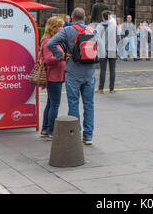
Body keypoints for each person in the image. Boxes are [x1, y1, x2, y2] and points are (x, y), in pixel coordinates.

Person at [47, 8, 96, 145]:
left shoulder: (67, 30)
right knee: (89, 104)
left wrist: (61, 55)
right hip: (89, 73)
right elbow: (102, 50)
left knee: (73, 103)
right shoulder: (93, 30)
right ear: (84, 18)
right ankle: (88, 136)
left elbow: (51, 43)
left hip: (73, 72)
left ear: (73, 19)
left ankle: (75, 134)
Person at [40, 16, 66, 140]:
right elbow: (48, 60)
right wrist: (62, 57)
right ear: (54, 28)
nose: (62, 28)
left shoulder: (52, 40)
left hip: (56, 75)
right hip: (53, 76)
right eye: (60, 26)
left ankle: (45, 129)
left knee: (50, 104)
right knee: (54, 105)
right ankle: (51, 131)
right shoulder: (48, 42)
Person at [95, 11, 119, 93]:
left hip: (102, 50)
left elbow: (96, 38)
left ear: (103, 17)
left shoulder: (99, 26)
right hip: (112, 49)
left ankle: (101, 88)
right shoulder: (114, 25)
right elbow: (118, 37)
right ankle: (111, 89)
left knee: (103, 70)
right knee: (112, 70)